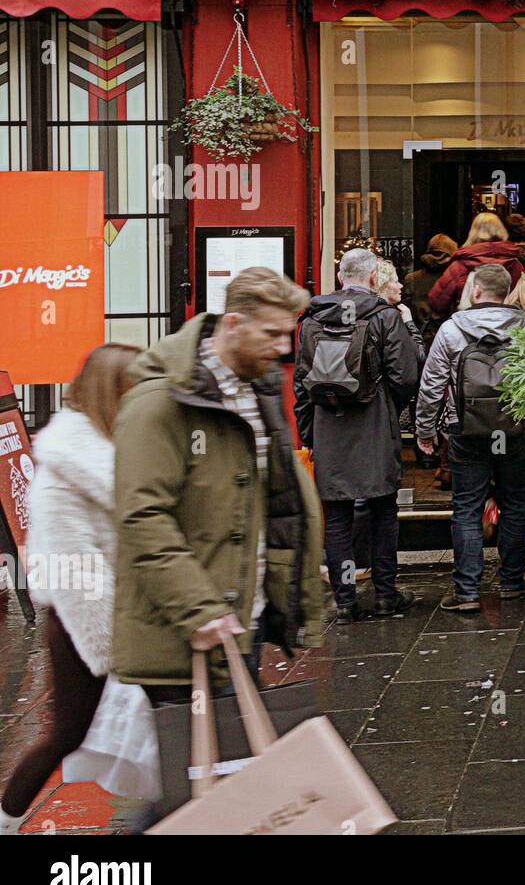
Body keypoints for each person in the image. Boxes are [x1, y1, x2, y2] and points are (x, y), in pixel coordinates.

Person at [113, 268, 323, 706]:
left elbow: (270, 500)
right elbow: (142, 517)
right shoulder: (158, 403)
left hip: (243, 614)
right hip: (193, 631)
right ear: (232, 325)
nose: (284, 348)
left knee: (232, 762)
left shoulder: (257, 389)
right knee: (204, 765)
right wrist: (200, 611)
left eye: (288, 335)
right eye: (272, 334)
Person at [0, 345, 141, 834]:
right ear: (114, 391)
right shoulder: (66, 465)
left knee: (167, 723)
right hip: (86, 621)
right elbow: (72, 569)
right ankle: (6, 816)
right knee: (66, 733)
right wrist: (111, 648)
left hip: (127, 612)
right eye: (135, 385)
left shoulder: (117, 443)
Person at [295, 248, 421, 621]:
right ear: (371, 278)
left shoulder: (312, 320)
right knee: (383, 511)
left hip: (329, 426)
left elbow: (302, 384)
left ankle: (346, 600)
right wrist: (387, 408)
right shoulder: (383, 316)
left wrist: (309, 434)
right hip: (374, 425)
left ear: (340, 278)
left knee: (337, 518)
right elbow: (405, 377)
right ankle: (385, 594)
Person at [415, 263, 525, 612]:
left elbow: (431, 386)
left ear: (475, 291)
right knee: (517, 503)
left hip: (466, 431)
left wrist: (426, 431)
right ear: (507, 292)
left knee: (467, 509)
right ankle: (510, 582)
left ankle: (467, 591)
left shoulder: (451, 330)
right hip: (517, 430)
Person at [428, 212, 524, 321]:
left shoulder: (460, 266)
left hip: (467, 328)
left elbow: (437, 301)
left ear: (473, 232)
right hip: (508, 327)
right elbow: (524, 299)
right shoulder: (515, 264)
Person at [404, 233, 458, 346]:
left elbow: (407, 313)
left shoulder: (412, 278)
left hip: (420, 340)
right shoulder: (455, 278)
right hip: (449, 341)